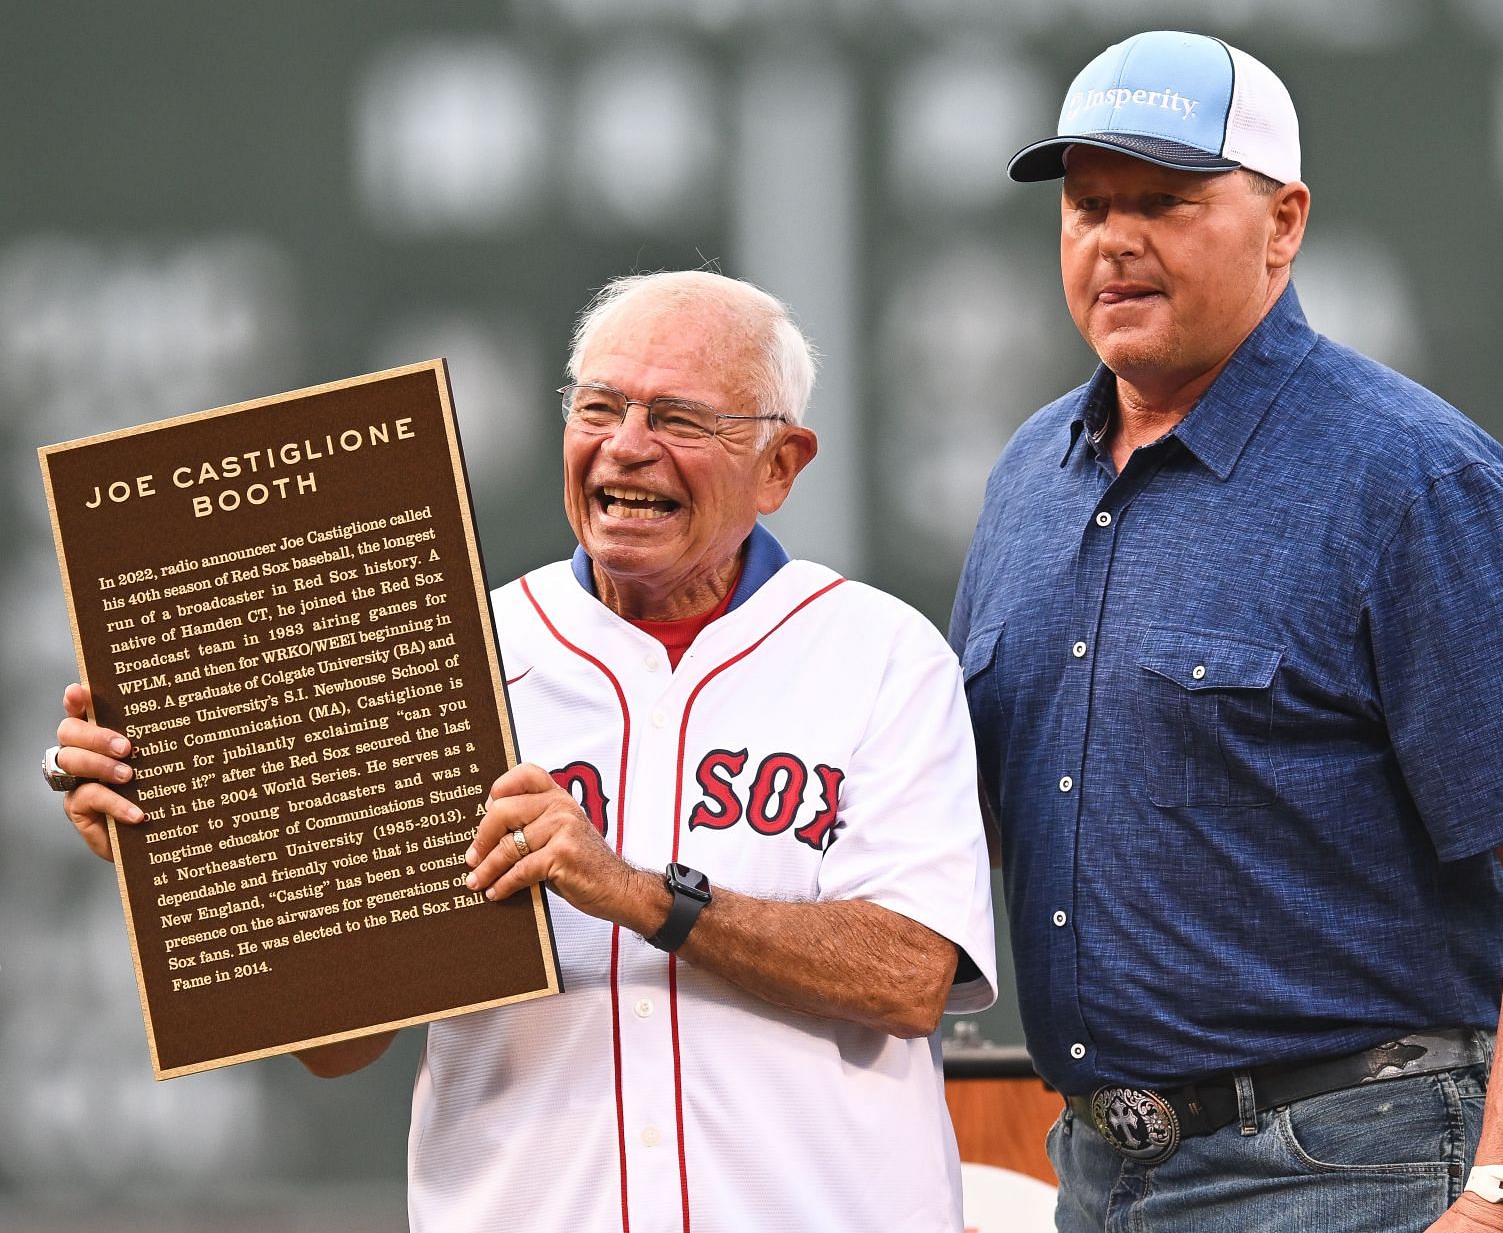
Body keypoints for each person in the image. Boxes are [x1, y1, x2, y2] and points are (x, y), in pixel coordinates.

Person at [50, 270, 998, 1233]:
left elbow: (910, 976)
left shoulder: (880, 654)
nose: (626, 446)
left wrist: (636, 893)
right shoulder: (445, 657)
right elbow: (341, 1049)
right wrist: (190, 853)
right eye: (599, 406)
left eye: (677, 417)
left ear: (779, 465)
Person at [949, 31, 1503, 1233]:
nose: (1116, 238)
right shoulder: (1029, 476)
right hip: (1095, 1170)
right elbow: (978, 825)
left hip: (1347, 1166)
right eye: (1090, 204)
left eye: (1164, 200)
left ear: (1285, 220)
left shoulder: (1415, 480)